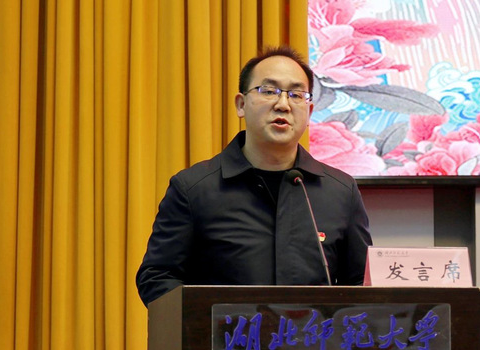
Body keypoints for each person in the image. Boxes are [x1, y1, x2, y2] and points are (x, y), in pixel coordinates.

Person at [136, 46, 372, 306]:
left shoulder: (340, 191)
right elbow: (158, 277)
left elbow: (361, 283)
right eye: (269, 91)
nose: (283, 105)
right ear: (241, 104)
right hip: (225, 332)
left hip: (314, 333)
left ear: (309, 112)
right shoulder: (194, 189)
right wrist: (207, 319)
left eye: (296, 95)